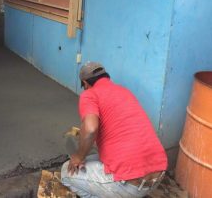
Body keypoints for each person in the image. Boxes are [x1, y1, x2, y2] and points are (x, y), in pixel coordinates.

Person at [61, 62, 168, 198]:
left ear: (85, 83)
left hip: (131, 185)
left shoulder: (89, 94)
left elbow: (91, 129)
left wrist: (78, 157)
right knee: (92, 160)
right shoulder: (124, 91)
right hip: (157, 177)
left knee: (67, 171)